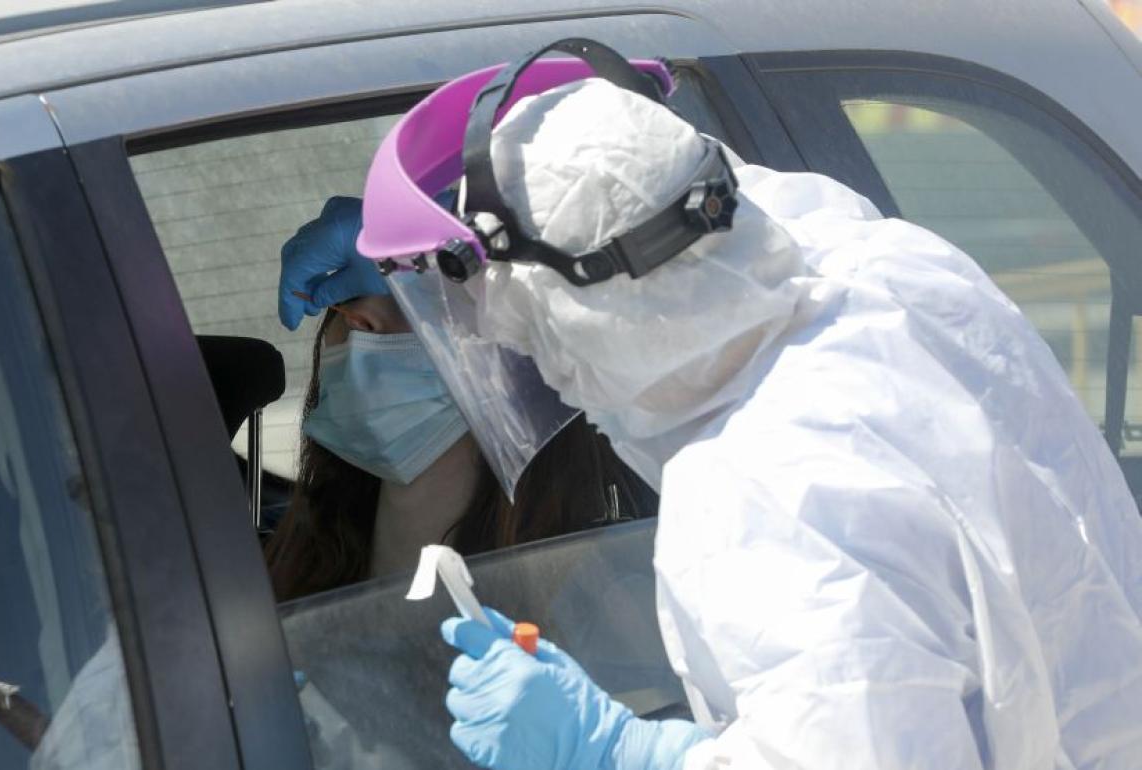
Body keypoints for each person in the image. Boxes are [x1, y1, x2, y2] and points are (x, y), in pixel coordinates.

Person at [328, 58, 1142, 769]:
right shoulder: (884, 272)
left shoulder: (762, 494)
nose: (542, 366)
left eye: (526, 332)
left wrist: (621, 752)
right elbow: (662, 198)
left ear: (580, 314)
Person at [265, 196, 654, 601]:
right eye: (348, 310)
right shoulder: (302, 559)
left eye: (421, 304)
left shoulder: (608, 593)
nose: (359, 323)